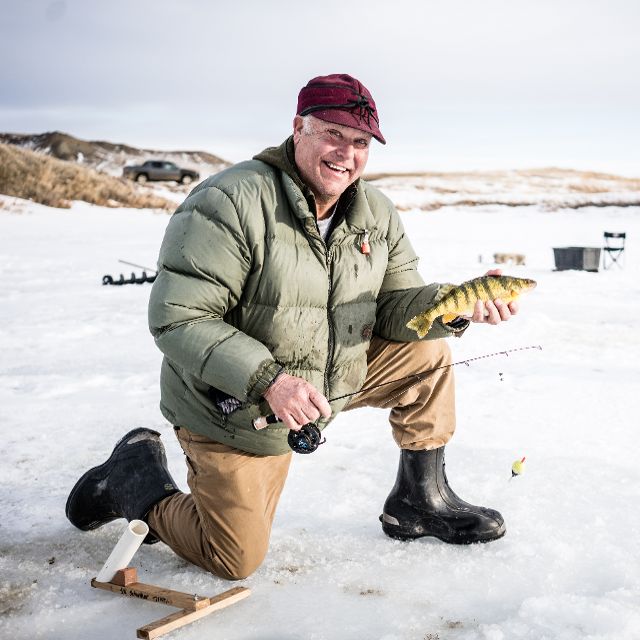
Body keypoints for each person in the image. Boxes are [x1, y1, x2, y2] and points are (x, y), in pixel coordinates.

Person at [66, 73, 520, 581]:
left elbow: (393, 307)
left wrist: (450, 306)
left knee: (427, 353)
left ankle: (419, 499)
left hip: (328, 379)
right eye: (333, 134)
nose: (346, 153)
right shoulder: (228, 201)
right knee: (234, 558)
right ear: (298, 128)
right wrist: (271, 381)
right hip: (237, 405)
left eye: (361, 142)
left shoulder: (375, 211)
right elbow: (179, 319)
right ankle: (135, 481)